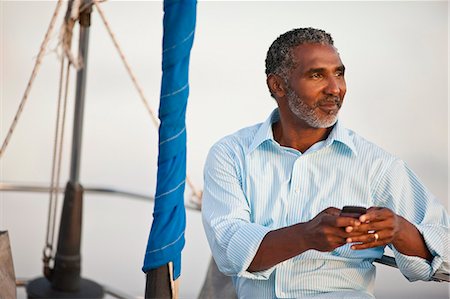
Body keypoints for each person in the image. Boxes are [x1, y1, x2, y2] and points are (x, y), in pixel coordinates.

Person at [201, 27, 449, 299]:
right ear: (278, 85)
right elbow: (228, 250)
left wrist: (400, 231)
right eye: (317, 75)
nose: (335, 88)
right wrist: (307, 236)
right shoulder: (230, 153)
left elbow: (446, 255)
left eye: (339, 73)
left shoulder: (377, 165)